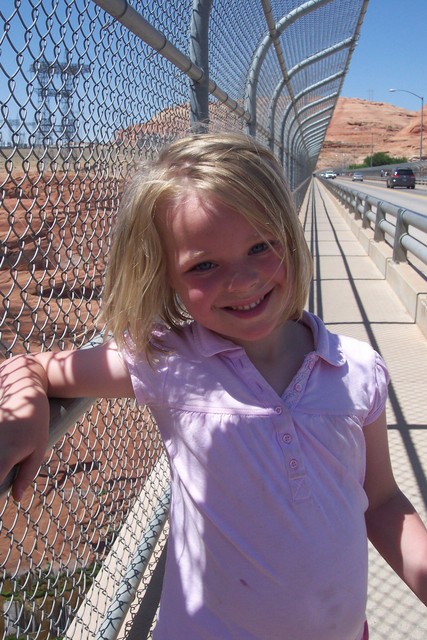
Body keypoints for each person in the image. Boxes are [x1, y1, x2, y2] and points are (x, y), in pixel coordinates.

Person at [0, 132, 426, 640]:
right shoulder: (168, 362)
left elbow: (380, 501)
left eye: (260, 246)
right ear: (168, 277)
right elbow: (37, 364)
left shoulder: (357, 369)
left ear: (290, 236)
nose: (242, 280)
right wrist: (26, 411)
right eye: (204, 265)